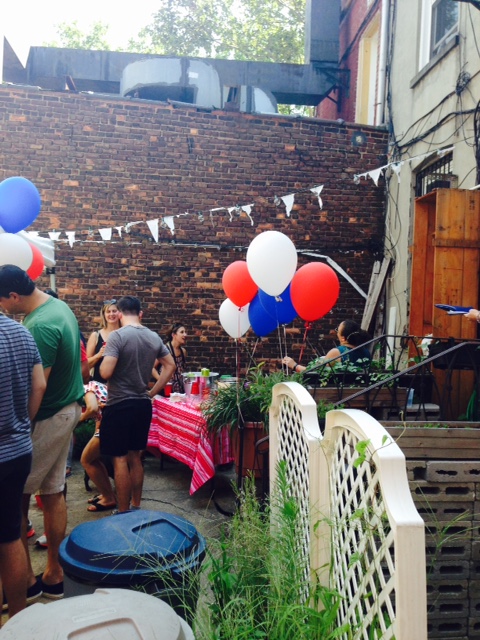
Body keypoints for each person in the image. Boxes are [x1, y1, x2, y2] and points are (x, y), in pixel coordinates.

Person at [0, 265, 84, 601]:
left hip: (47, 417)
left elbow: (36, 386)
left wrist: (23, 425)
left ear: (15, 296)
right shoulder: (56, 306)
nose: (4, 308)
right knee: (52, 493)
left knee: (15, 501)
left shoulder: (41, 325)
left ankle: (20, 586)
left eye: (4, 302)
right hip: (66, 410)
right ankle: (54, 575)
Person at [99, 296, 176, 512]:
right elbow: (170, 366)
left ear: (121, 314)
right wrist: (152, 391)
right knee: (136, 457)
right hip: (142, 404)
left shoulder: (117, 336)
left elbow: (105, 372)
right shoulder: (153, 337)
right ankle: (136, 506)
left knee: (120, 459)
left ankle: (123, 512)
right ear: (140, 313)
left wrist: (105, 357)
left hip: (119, 404)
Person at [0, 313, 46, 618]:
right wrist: (23, 425)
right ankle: (17, 620)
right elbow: (39, 385)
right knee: (9, 533)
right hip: (18, 450)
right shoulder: (20, 331)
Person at [79, 380, 117, 512]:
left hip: (108, 425)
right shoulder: (96, 384)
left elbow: (92, 408)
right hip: (111, 423)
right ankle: (107, 494)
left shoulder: (87, 388)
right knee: (94, 459)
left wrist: (79, 419)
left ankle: (109, 498)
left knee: (86, 460)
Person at [283, 319, 371, 373]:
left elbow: (315, 374)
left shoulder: (337, 352)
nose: (336, 332)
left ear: (343, 338)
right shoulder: (366, 352)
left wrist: (294, 365)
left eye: (337, 330)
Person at [86, 300, 121, 383]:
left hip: (120, 386)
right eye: (108, 312)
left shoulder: (125, 334)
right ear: (104, 315)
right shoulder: (96, 336)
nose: (111, 314)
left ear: (119, 313)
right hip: (99, 385)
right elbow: (86, 364)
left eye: (114, 311)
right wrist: (99, 355)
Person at [152, 322, 187, 393]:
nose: (185, 334)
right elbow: (152, 368)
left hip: (179, 392)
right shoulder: (165, 350)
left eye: (185, 332)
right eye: (182, 332)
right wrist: (162, 382)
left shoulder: (183, 351)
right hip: (165, 391)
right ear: (174, 335)